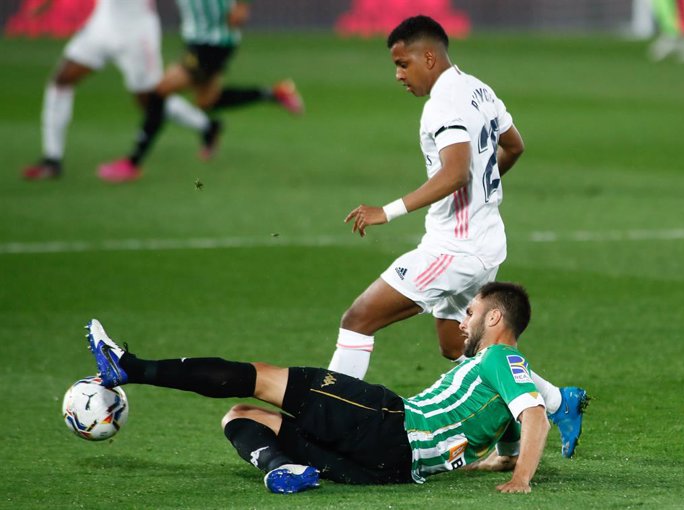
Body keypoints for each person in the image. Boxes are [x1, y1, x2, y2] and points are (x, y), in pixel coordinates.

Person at [327, 15, 588, 458]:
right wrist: (480, 190)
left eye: (403, 63)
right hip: (485, 242)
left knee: (358, 319)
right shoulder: (479, 89)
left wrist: (386, 212)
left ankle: (327, 423)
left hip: (455, 249)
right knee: (458, 348)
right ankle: (558, 400)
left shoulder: (443, 104)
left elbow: (454, 172)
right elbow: (514, 146)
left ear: (429, 56)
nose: (398, 75)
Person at [85, 282, 550, 494]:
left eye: (470, 313)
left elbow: (534, 415)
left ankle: (130, 366)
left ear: (494, 318)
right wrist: (502, 461)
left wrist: (520, 480)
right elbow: (516, 422)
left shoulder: (498, 357)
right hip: (390, 470)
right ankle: (280, 469)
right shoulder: (504, 376)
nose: (464, 321)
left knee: (261, 377)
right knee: (242, 415)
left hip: (390, 423)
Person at [97, 0, 305, 182]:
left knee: (159, 93)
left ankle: (133, 163)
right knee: (208, 101)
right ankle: (275, 94)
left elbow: (237, 14)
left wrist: (242, 6)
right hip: (199, 39)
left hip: (211, 42)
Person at [22, 0, 219, 181]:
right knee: (61, 81)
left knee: (150, 101)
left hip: (136, 33)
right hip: (102, 25)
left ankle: (206, 125)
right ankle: (52, 159)